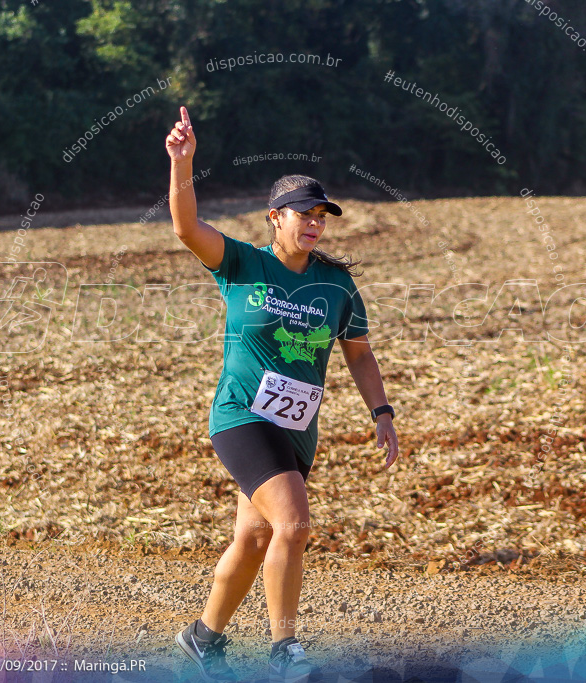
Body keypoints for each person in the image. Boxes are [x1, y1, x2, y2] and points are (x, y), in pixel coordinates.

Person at [165, 105, 399, 683]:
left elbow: (359, 354)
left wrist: (383, 412)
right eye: (304, 213)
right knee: (293, 525)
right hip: (241, 417)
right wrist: (183, 164)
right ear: (276, 218)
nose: (315, 223)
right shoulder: (242, 263)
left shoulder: (337, 285)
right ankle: (284, 651)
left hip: (298, 429)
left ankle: (202, 638)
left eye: (322, 215)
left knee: (252, 536)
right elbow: (185, 228)